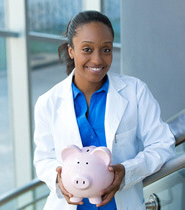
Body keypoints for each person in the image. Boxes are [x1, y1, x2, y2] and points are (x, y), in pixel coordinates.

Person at [33, 10, 175, 210]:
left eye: (106, 50)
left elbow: (162, 143)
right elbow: (43, 159)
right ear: (71, 50)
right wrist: (59, 180)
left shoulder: (135, 91)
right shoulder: (47, 102)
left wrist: (127, 171)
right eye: (87, 49)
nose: (98, 60)